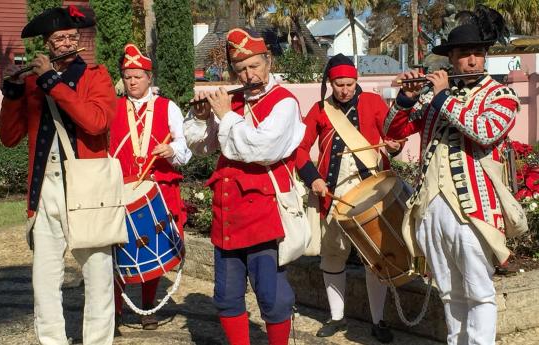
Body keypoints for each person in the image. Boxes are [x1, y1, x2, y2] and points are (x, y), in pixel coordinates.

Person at [384, 7, 518, 345]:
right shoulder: (434, 98)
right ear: (453, 59)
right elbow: (394, 131)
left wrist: (441, 96)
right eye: (463, 55)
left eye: (477, 54)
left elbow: (484, 131)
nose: (471, 61)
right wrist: (407, 96)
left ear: (484, 57)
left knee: (479, 291)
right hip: (431, 207)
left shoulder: (501, 95)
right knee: (448, 291)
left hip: (473, 208)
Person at [0, 5, 117, 345]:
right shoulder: (34, 82)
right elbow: (9, 138)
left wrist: (53, 81)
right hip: (45, 190)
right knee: (44, 280)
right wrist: (13, 93)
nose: (65, 43)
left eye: (70, 37)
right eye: (57, 39)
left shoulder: (96, 75)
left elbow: (96, 122)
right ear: (47, 44)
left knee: (98, 277)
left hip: (87, 190)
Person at [183, 28, 305, 345]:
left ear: (268, 61)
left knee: (272, 295)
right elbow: (203, 147)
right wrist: (201, 118)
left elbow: (261, 150)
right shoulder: (233, 103)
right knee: (226, 295)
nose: (248, 75)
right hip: (228, 213)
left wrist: (224, 115)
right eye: (240, 70)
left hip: (264, 214)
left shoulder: (284, 103)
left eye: (254, 66)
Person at [295, 54, 399, 343]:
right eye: (339, 84)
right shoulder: (319, 110)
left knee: (374, 258)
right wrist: (313, 177)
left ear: (357, 81)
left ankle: (378, 321)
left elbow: (394, 137)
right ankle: (336, 317)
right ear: (331, 83)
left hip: (372, 193)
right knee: (333, 253)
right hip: (334, 194)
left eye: (350, 84)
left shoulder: (374, 103)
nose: (345, 90)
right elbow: (300, 150)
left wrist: (394, 145)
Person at [109, 43, 192, 331]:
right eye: (127, 76)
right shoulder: (113, 107)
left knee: (151, 246)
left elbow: (185, 146)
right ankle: (115, 309)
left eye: (137, 76)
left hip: (158, 189)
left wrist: (172, 152)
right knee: (115, 249)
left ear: (149, 77)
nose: (132, 82)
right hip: (121, 190)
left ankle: (147, 307)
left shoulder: (169, 108)